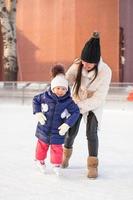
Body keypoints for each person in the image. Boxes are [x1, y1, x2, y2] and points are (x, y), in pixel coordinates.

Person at [62, 32, 112, 178]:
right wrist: (58, 84)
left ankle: (92, 165)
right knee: (71, 131)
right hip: (76, 100)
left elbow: (99, 97)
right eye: (84, 61)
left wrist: (81, 106)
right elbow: (67, 79)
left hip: (94, 104)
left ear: (96, 62)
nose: (85, 65)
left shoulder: (105, 71)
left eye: (89, 63)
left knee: (91, 132)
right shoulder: (78, 64)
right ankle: (65, 156)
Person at [33, 65, 80, 175]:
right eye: (58, 88)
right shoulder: (46, 96)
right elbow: (35, 100)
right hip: (43, 128)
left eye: (63, 89)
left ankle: (56, 164)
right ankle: (40, 161)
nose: (60, 91)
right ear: (53, 87)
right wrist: (38, 112)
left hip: (58, 130)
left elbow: (76, 112)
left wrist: (67, 125)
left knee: (57, 148)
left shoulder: (68, 101)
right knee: (41, 145)